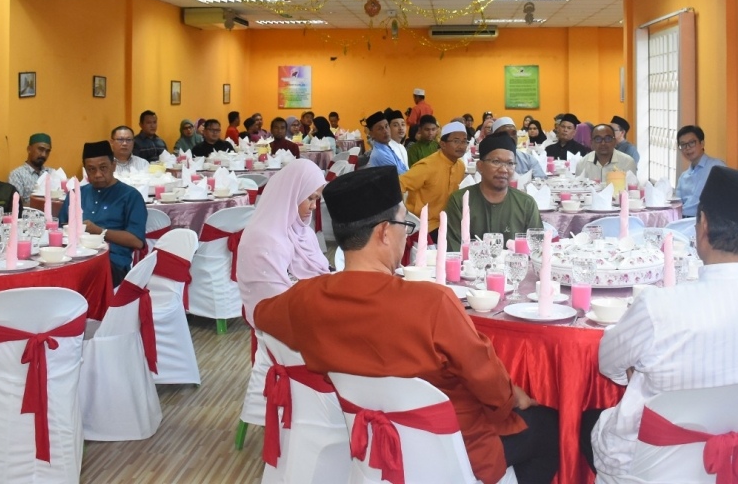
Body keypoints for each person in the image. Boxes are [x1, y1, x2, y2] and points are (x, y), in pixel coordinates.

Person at [253, 166, 561, 484]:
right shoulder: (432, 303)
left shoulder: (305, 298)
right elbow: (490, 386)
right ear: (384, 232)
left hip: (366, 439)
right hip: (453, 447)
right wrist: (513, 396)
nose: (406, 234)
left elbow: (261, 315)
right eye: (404, 224)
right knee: (551, 426)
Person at [583, 165, 738, 480]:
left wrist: (638, 370)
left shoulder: (659, 306)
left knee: (586, 421)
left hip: (650, 470)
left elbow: (608, 363)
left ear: (702, 226)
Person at [236, 158, 330, 323]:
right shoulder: (262, 239)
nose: (314, 206)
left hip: (308, 308)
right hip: (281, 325)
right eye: (310, 198)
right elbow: (273, 303)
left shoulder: (303, 232)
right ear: (292, 194)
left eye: (316, 199)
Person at [60, 140, 147, 286]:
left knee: (79, 279)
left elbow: (137, 241)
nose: (98, 174)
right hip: (75, 258)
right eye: (91, 169)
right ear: (85, 170)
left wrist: (99, 231)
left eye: (103, 168)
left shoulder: (130, 196)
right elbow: (61, 228)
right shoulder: (76, 194)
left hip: (112, 263)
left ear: (114, 165)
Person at [445, 133, 542, 251]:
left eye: (510, 163)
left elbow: (536, 250)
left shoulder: (526, 204)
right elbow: (453, 250)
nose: (504, 169)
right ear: (480, 166)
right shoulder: (459, 200)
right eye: (496, 162)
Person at [400, 120, 468, 240]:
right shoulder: (427, 166)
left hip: (448, 222)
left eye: (464, 141)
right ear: (443, 144)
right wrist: (400, 214)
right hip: (425, 226)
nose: (461, 146)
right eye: (456, 141)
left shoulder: (460, 166)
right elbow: (398, 184)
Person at [674, 125, 725, 218]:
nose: (687, 148)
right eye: (683, 145)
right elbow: (677, 204)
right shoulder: (683, 177)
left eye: (691, 143)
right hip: (684, 219)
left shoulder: (716, 167)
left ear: (702, 143)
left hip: (706, 220)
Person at [7, 133, 54, 201]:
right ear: (29, 149)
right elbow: (17, 204)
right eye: (40, 149)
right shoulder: (17, 175)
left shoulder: (52, 173)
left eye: (47, 151)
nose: (44, 155)